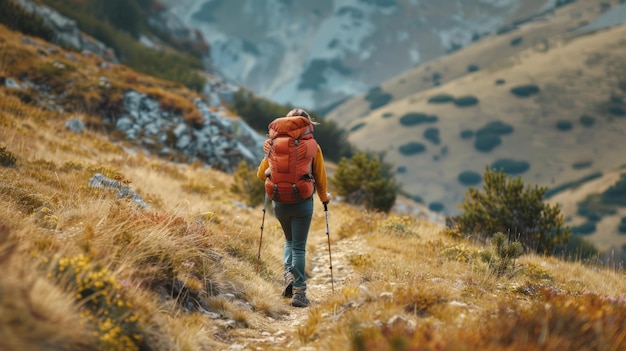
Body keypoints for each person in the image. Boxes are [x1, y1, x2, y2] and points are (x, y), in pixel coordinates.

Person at [257, 108, 331, 308]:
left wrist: (267, 155)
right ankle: (299, 292)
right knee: (299, 246)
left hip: (279, 201)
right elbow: (320, 177)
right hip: (302, 201)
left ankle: (288, 274)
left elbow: (260, 174)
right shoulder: (313, 146)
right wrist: (324, 198)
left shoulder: (273, 145)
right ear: (307, 125)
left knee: (289, 241)